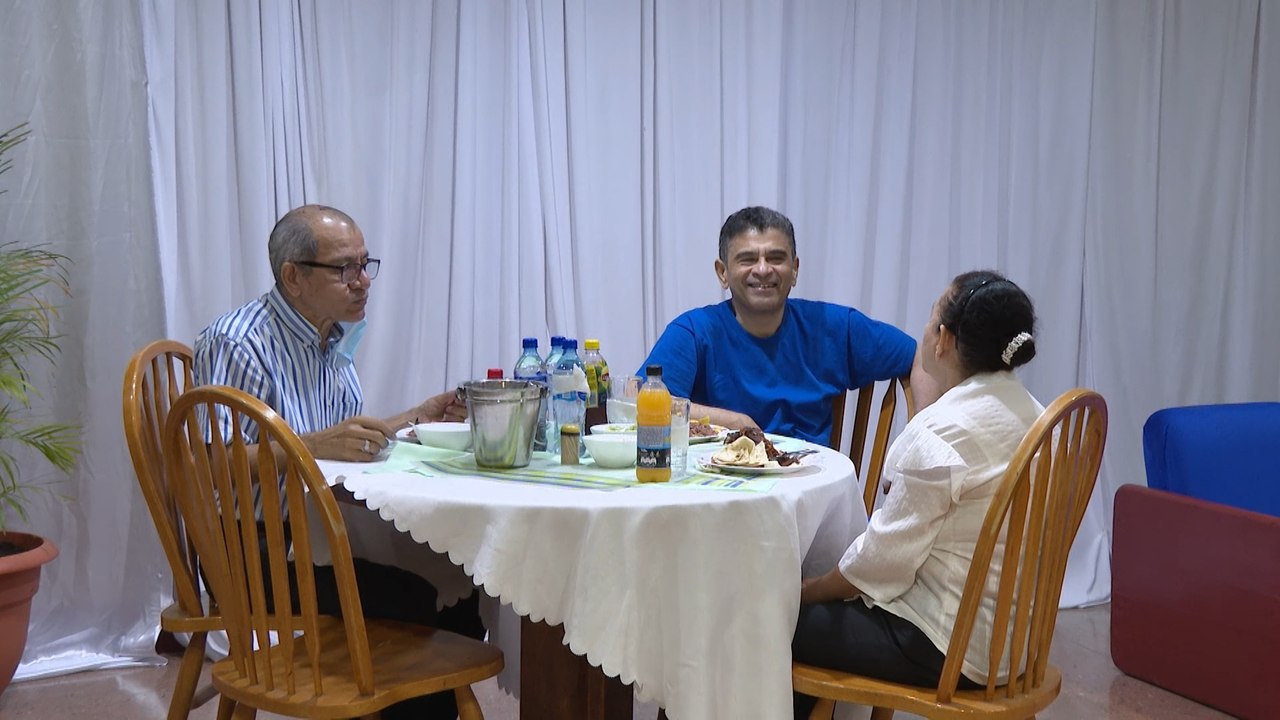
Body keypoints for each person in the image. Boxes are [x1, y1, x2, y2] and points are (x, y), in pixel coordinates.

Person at [193, 204, 480, 719]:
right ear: (293, 277)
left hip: (319, 533)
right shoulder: (239, 343)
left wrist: (416, 416)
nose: (363, 282)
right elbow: (212, 466)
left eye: (366, 265)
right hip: (255, 549)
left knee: (459, 580)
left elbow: (338, 447)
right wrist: (312, 444)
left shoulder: (329, 339)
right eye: (345, 269)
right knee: (412, 600)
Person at [792, 270, 1043, 717]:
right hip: (1017, 646)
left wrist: (805, 591)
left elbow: (880, 565)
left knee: (770, 620)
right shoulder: (1037, 415)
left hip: (950, 646)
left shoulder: (942, 429)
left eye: (930, 318)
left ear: (943, 339)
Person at [639, 205, 931, 446]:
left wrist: (918, 446)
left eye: (776, 258)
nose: (763, 269)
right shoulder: (694, 331)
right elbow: (637, 404)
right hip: (719, 486)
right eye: (747, 259)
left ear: (794, 270)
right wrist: (733, 422)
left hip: (811, 485)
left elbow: (920, 357)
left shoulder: (833, 326)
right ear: (723, 272)